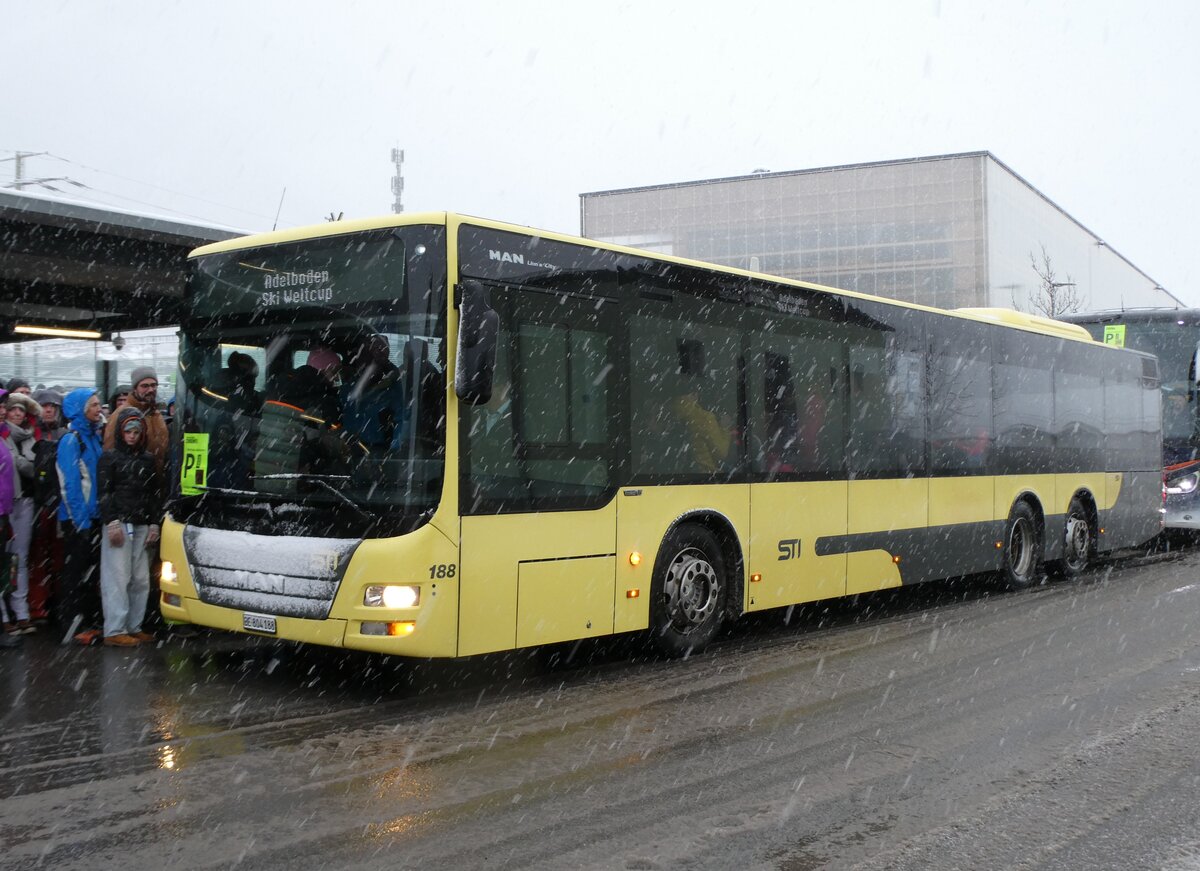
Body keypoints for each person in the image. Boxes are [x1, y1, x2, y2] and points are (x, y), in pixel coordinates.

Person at [97, 407, 162, 647]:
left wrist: (154, 522)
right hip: (120, 523)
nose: (132, 435)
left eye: (136, 430)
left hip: (141, 522)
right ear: (120, 431)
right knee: (117, 577)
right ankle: (115, 628)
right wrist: (111, 521)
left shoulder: (147, 459)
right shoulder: (109, 457)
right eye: (128, 430)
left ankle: (133, 626)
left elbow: (153, 493)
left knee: (140, 579)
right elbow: (104, 491)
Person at [57, 387, 105, 645]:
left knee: (89, 573)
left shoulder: (92, 437)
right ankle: (71, 626)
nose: (99, 408)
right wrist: (81, 520)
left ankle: (85, 621)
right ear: (81, 409)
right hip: (78, 520)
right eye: (94, 404)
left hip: (93, 518)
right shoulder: (71, 440)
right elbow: (69, 484)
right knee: (75, 574)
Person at [0, 392, 42, 635]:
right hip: (7, 503)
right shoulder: (5, 439)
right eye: (10, 408)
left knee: (20, 559)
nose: (13, 413)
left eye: (19, 410)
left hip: (23, 501)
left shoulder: (27, 437)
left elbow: (31, 467)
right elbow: (25, 466)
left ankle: (21, 611)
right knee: (6, 559)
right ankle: (6, 615)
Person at [28, 388, 65, 623]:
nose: (48, 409)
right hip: (36, 503)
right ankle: (37, 605)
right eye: (44, 405)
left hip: (59, 503)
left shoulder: (64, 435)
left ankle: (56, 602)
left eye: (53, 405)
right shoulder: (30, 435)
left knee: (59, 555)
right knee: (37, 556)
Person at [105, 368, 168, 473]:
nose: (151, 390)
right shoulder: (121, 415)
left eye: (153, 385)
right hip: (131, 483)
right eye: (145, 386)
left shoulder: (157, 415)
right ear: (134, 389)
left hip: (153, 483)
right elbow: (109, 453)